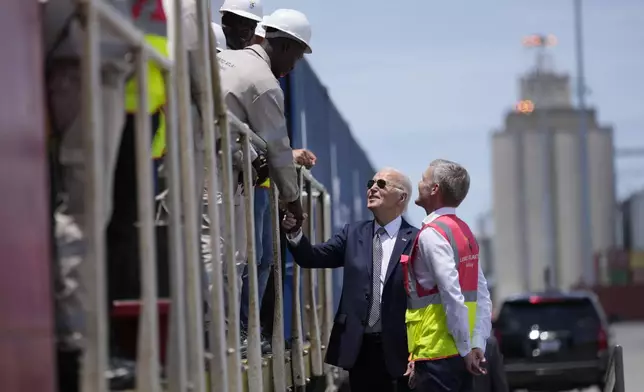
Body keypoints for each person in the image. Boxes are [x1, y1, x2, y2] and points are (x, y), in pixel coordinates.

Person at [212, 7, 313, 345]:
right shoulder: (265, 83)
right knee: (226, 254)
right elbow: (280, 149)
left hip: (208, 163)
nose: (293, 67)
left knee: (223, 252)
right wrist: (293, 202)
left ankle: (223, 332)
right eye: (296, 57)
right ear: (284, 46)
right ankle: (222, 335)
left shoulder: (227, 59)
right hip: (218, 174)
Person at [282, 168, 419, 392]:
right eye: (371, 183)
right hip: (360, 349)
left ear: (401, 197)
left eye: (382, 184)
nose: (372, 188)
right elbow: (311, 257)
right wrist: (296, 232)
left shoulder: (416, 240)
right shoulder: (353, 234)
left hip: (400, 351)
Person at [402, 159, 493, 392]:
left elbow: (452, 295)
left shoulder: (432, 235)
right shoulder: (464, 232)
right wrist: (476, 345)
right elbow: (481, 296)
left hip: (437, 356)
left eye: (423, 179)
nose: (419, 183)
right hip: (459, 354)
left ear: (435, 189)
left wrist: (466, 350)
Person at [239, 148, 317, 355]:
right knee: (248, 259)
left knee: (264, 261)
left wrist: (288, 199)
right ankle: (242, 330)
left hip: (263, 186)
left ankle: (251, 330)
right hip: (244, 181)